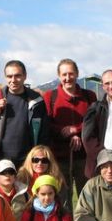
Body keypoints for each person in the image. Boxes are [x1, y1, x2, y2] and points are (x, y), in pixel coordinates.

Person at [0, 60, 49, 165]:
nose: (13, 80)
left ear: (25, 76)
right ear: (5, 77)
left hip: (27, 163)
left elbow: (44, 133)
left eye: (17, 76)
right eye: (9, 76)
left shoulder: (36, 100)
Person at [43, 59, 96, 194]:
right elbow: (46, 124)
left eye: (71, 74)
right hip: (59, 159)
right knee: (62, 201)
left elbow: (95, 121)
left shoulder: (89, 96)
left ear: (77, 74)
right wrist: (63, 131)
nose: (68, 78)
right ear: (59, 75)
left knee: (87, 200)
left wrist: (77, 131)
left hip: (84, 158)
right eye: (64, 74)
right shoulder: (50, 97)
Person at [16, 145, 69, 211]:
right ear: (30, 161)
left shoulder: (57, 179)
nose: (40, 163)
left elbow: (63, 205)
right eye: (36, 160)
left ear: (49, 162)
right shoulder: (21, 178)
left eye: (44, 160)